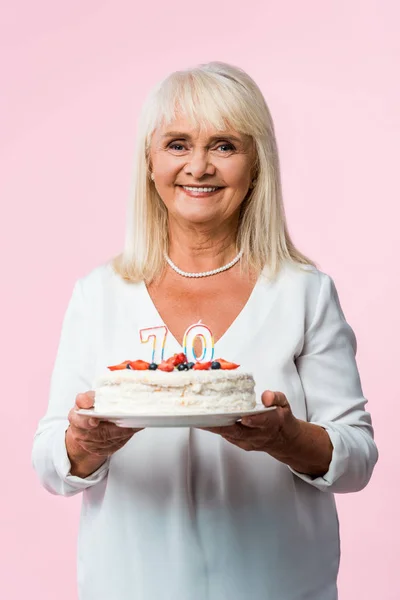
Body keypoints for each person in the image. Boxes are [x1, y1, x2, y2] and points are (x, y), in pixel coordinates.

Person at [32, 61, 378, 600]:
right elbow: (52, 460)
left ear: (255, 163)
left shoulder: (303, 293)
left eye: (223, 145)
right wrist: (83, 442)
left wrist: (288, 441)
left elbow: (356, 455)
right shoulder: (99, 294)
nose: (199, 166)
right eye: (177, 144)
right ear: (149, 161)